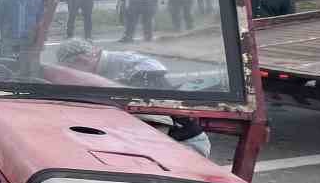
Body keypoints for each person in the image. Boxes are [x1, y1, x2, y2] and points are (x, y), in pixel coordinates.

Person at [54, 39, 210, 154]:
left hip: (185, 143)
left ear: (82, 60)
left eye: (71, 70)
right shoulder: (108, 67)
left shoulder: (138, 71)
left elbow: (157, 118)